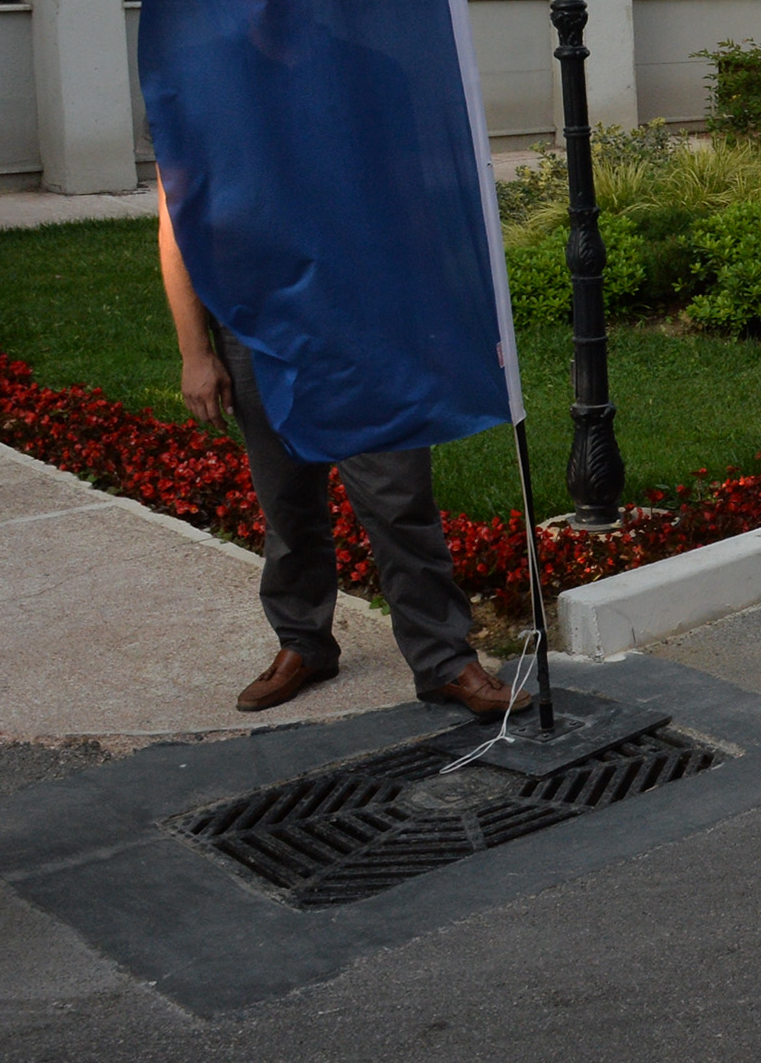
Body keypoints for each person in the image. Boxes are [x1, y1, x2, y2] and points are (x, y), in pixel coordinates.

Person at [159, 191, 521, 717]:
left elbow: (402, 196)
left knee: (398, 498)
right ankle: (303, 642)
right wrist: (195, 351)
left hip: (364, 318)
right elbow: (178, 222)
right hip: (255, 323)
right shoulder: (206, 130)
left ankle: (444, 660)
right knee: (287, 502)